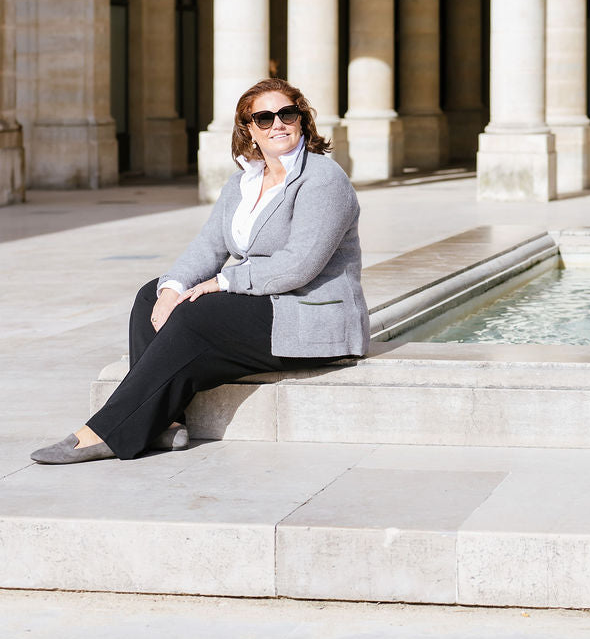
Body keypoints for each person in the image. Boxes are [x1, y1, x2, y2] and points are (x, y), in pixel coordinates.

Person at [32, 79, 369, 464]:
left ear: (302, 121)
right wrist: (173, 286)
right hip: (269, 302)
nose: (278, 124)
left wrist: (223, 281)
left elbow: (299, 264)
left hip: (312, 316)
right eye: (264, 117)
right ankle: (166, 424)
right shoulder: (243, 181)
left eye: (287, 114)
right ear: (249, 130)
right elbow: (209, 246)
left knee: (200, 313)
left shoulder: (323, 179)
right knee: (151, 296)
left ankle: (105, 431)